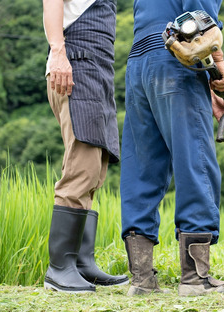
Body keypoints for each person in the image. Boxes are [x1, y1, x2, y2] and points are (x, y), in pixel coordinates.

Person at [120, 0, 224, 296]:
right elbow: (202, 25)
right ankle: (195, 279)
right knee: (195, 160)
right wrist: (220, 67)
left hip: (139, 65)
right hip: (176, 63)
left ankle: (142, 280)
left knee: (142, 166)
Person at [42, 0, 128, 293]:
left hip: (97, 70)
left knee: (95, 170)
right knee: (82, 166)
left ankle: (81, 263)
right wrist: (57, 52)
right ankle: (59, 269)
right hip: (75, 64)